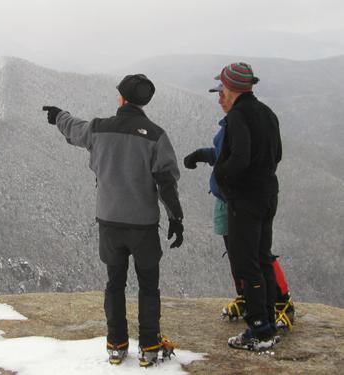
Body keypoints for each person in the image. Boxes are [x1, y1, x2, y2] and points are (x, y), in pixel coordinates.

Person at [42, 74, 184, 367]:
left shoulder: (99, 129)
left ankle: (116, 344)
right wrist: (176, 218)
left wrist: (58, 116)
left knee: (114, 283)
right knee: (148, 286)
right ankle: (149, 346)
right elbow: (166, 182)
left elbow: (74, 128)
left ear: (121, 98)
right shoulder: (156, 135)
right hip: (143, 226)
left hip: (109, 222)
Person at [183, 116, 295, 330]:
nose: (220, 96)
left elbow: (244, 158)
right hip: (224, 198)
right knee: (236, 252)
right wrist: (202, 155)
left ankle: (282, 302)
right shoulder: (229, 123)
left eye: (223, 91)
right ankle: (246, 297)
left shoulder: (245, 121)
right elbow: (225, 154)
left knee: (256, 252)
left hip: (240, 199)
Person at [207, 62, 284, 351]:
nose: (220, 95)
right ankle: (268, 319)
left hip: (246, 200)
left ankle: (259, 330)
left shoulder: (239, 116)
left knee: (247, 263)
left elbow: (239, 159)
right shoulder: (267, 113)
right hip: (267, 195)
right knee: (262, 258)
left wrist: (221, 174)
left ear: (233, 88)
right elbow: (277, 154)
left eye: (222, 89)